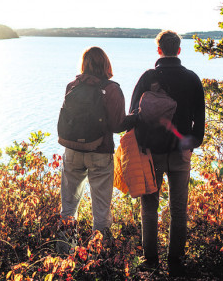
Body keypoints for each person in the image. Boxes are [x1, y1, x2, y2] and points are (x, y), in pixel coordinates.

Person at [129, 30, 205, 277]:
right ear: (179, 50)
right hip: (181, 154)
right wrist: (191, 144)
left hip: (152, 153)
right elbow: (200, 123)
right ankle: (175, 261)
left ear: (158, 50)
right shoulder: (192, 79)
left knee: (149, 207)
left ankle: (150, 260)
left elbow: (132, 114)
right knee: (178, 208)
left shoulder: (148, 77)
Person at [57, 46, 128, 253]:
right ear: (106, 64)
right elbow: (117, 125)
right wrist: (136, 118)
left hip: (72, 152)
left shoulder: (72, 86)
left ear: (84, 64)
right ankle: (100, 257)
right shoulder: (112, 89)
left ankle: (65, 255)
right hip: (100, 151)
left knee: (68, 207)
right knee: (101, 210)